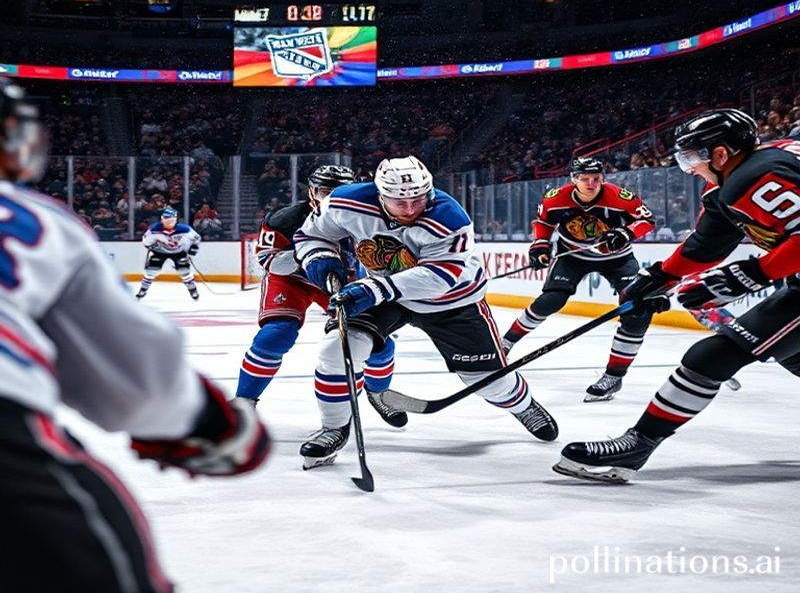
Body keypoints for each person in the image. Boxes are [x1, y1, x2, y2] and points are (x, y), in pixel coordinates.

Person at [0, 77, 270, 592]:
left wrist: (183, 249)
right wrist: (210, 422)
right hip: (10, 447)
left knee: (177, 272)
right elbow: (136, 384)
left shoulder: (182, 227)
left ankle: (184, 288)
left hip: (176, 260)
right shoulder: (29, 216)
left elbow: (187, 242)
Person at [554, 108, 800, 482]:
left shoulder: (754, 178)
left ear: (720, 153)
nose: (689, 168)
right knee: (792, 354)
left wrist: (750, 275)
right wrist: (659, 276)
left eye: (692, 156)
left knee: (713, 356)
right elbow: (707, 245)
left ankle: (638, 444)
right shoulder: (737, 179)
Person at [293, 155, 558, 468]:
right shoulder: (344, 202)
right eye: (399, 201)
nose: (409, 209)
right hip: (384, 294)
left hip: (452, 301)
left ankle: (522, 405)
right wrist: (320, 259)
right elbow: (312, 235)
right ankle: (333, 428)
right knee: (338, 349)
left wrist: (372, 289)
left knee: (489, 381)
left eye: (417, 199)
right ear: (380, 194)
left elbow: (438, 277)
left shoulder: (450, 218)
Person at [234, 165, 408, 432]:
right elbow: (268, 259)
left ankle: (379, 393)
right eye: (325, 191)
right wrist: (308, 255)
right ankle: (244, 400)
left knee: (378, 343)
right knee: (276, 334)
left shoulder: (371, 217)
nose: (331, 199)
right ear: (312, 192)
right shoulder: (284, 220)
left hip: (346, 283)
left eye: (340, 192)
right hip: (294, 280)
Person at [501, 156, 656, 401]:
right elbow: (544, 222)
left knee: (638, 310)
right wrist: (540, 246)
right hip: (572, 256)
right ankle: (505, 343)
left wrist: (626, 233)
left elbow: (647, 220)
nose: (591, 184)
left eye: (596, 178)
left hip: (617, 259)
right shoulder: (554, 198)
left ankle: (613, 377)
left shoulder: (620, 197)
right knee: (551, 300)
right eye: (585, 179)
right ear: (573, 180)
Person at [136, 206, 202, 300]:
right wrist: (152, 246)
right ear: (162, 219)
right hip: (159, 252)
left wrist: (193, 249)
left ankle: (193, 290)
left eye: (171, 220)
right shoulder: (154, 229)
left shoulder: (185, 229)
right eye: (166, 219)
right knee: (151, 271)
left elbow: (197, 238)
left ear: (176, 220)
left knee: (184, 271)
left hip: (178, 252)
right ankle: (143, 290)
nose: (168, 222)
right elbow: (145, 241)